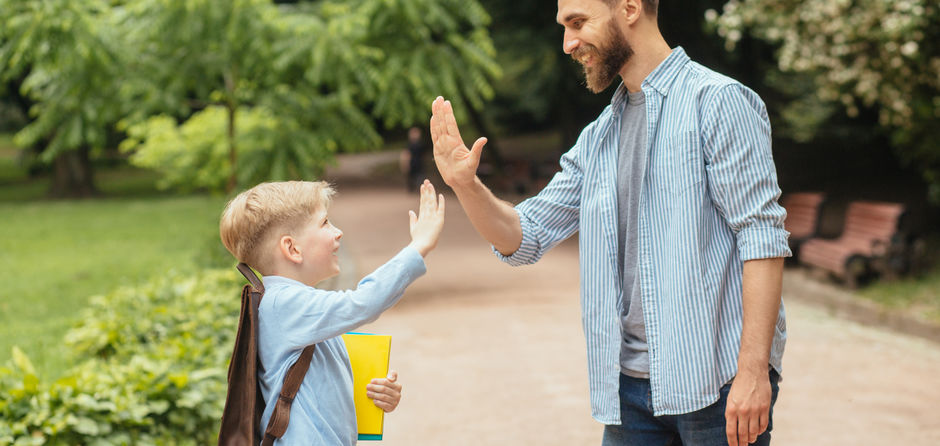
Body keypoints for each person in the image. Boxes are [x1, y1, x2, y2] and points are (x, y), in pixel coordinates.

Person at [429, 0, 790, 445]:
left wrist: (754, 371)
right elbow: (526, 235)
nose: (568, 43)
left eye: (578, 23)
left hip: (715, 384)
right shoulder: (600, 135)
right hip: (628, 394)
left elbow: (763, 238)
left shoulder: (717, 102)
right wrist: (466, 186)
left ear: (631, 8)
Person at [219, 179, 445, 445]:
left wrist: (377, 393)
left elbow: (322, 388)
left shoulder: (299, 308)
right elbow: (363, 302)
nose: (338, 232)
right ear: (292, 248)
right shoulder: (283, 304)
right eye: (325, 223)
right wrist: (418, 247)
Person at [404, 126, 429, 192]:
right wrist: (406, 163)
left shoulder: (421, 144)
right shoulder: (409, 145)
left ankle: (421, 188)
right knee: (411, 177)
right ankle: (412, 189)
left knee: (420, 177)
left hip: (420, 163)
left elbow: (424, 155)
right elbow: (407, 154)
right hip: (412, 163)